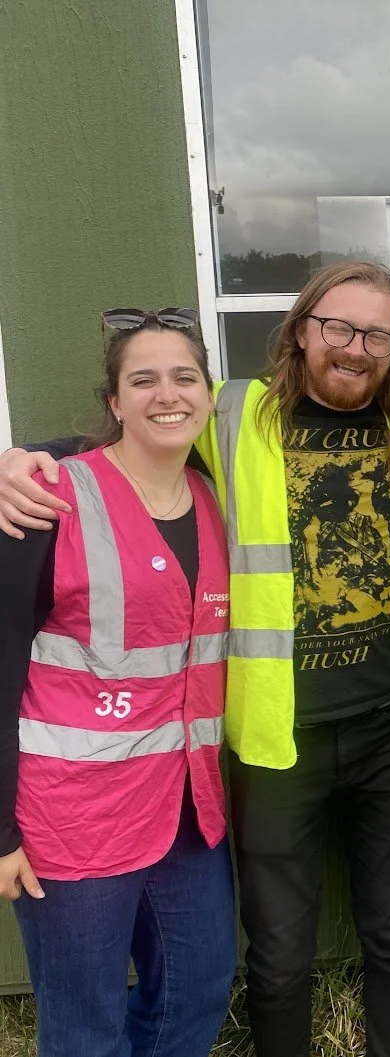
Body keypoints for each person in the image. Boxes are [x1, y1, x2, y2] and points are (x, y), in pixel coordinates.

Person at [0, 260, 390, 1057]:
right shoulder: (236, 415)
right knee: (281, 949)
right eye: (338, 327)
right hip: (277, 736)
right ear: (302, 330)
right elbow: (145, 427)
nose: (355, 347)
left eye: (377, 334)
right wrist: (26, 456)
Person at [0, 308, 236, 1056]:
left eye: (183, 377)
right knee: (84, 1022)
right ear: (114, 401)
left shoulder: (215, 495)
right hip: (72, 819)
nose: (166, 395)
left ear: (208, 392)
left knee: (197, 989)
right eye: (143, 379)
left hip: (186, 808)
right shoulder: (48, 498)